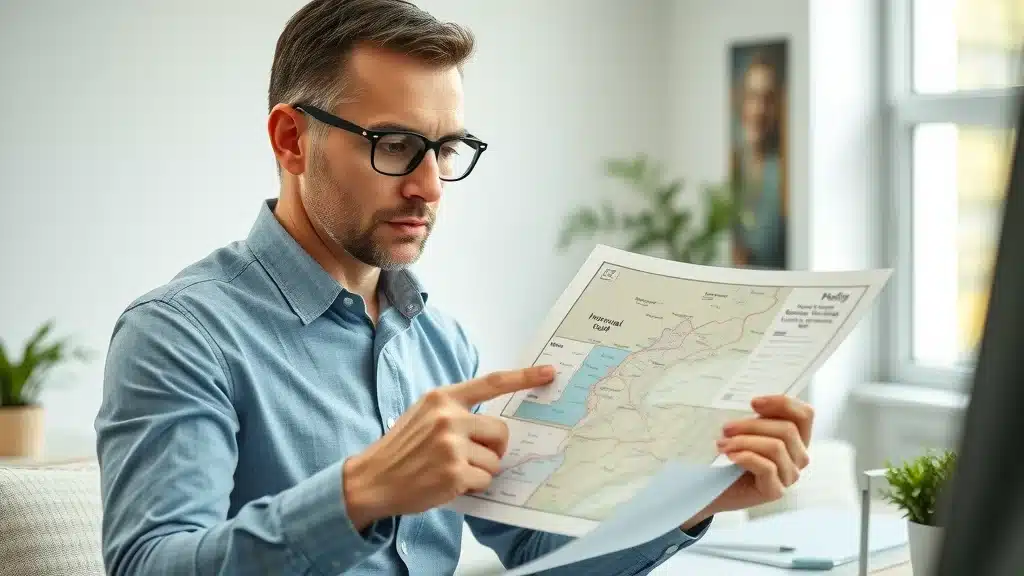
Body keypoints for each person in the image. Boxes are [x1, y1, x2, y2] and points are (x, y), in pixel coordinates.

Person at [94, 1, 815, 574]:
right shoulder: (178, 334)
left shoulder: (440, 342)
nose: (430, 185)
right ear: (290, 140)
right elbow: (150, 565)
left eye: (446, 148)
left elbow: (539, 555)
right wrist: (360, 492)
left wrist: (689, 502)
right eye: (396, 144)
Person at [731, 50, 788, 269]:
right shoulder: (732, 166)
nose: (759, 110)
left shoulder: (783, 173)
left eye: (768, 99)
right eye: (752, 97)